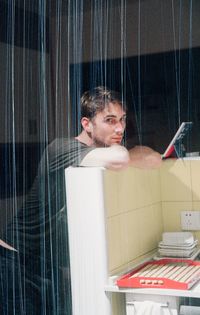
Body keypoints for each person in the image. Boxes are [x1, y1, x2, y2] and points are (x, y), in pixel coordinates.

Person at [0, 86, 161, 315]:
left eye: (122, 119)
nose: (120, 128)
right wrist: (131, 155)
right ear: (86, 124)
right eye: (110, 120)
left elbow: (153, 158)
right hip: (14, 259)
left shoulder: (93, 158)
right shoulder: (61, 148)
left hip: (46, 264)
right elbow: (120, 158)